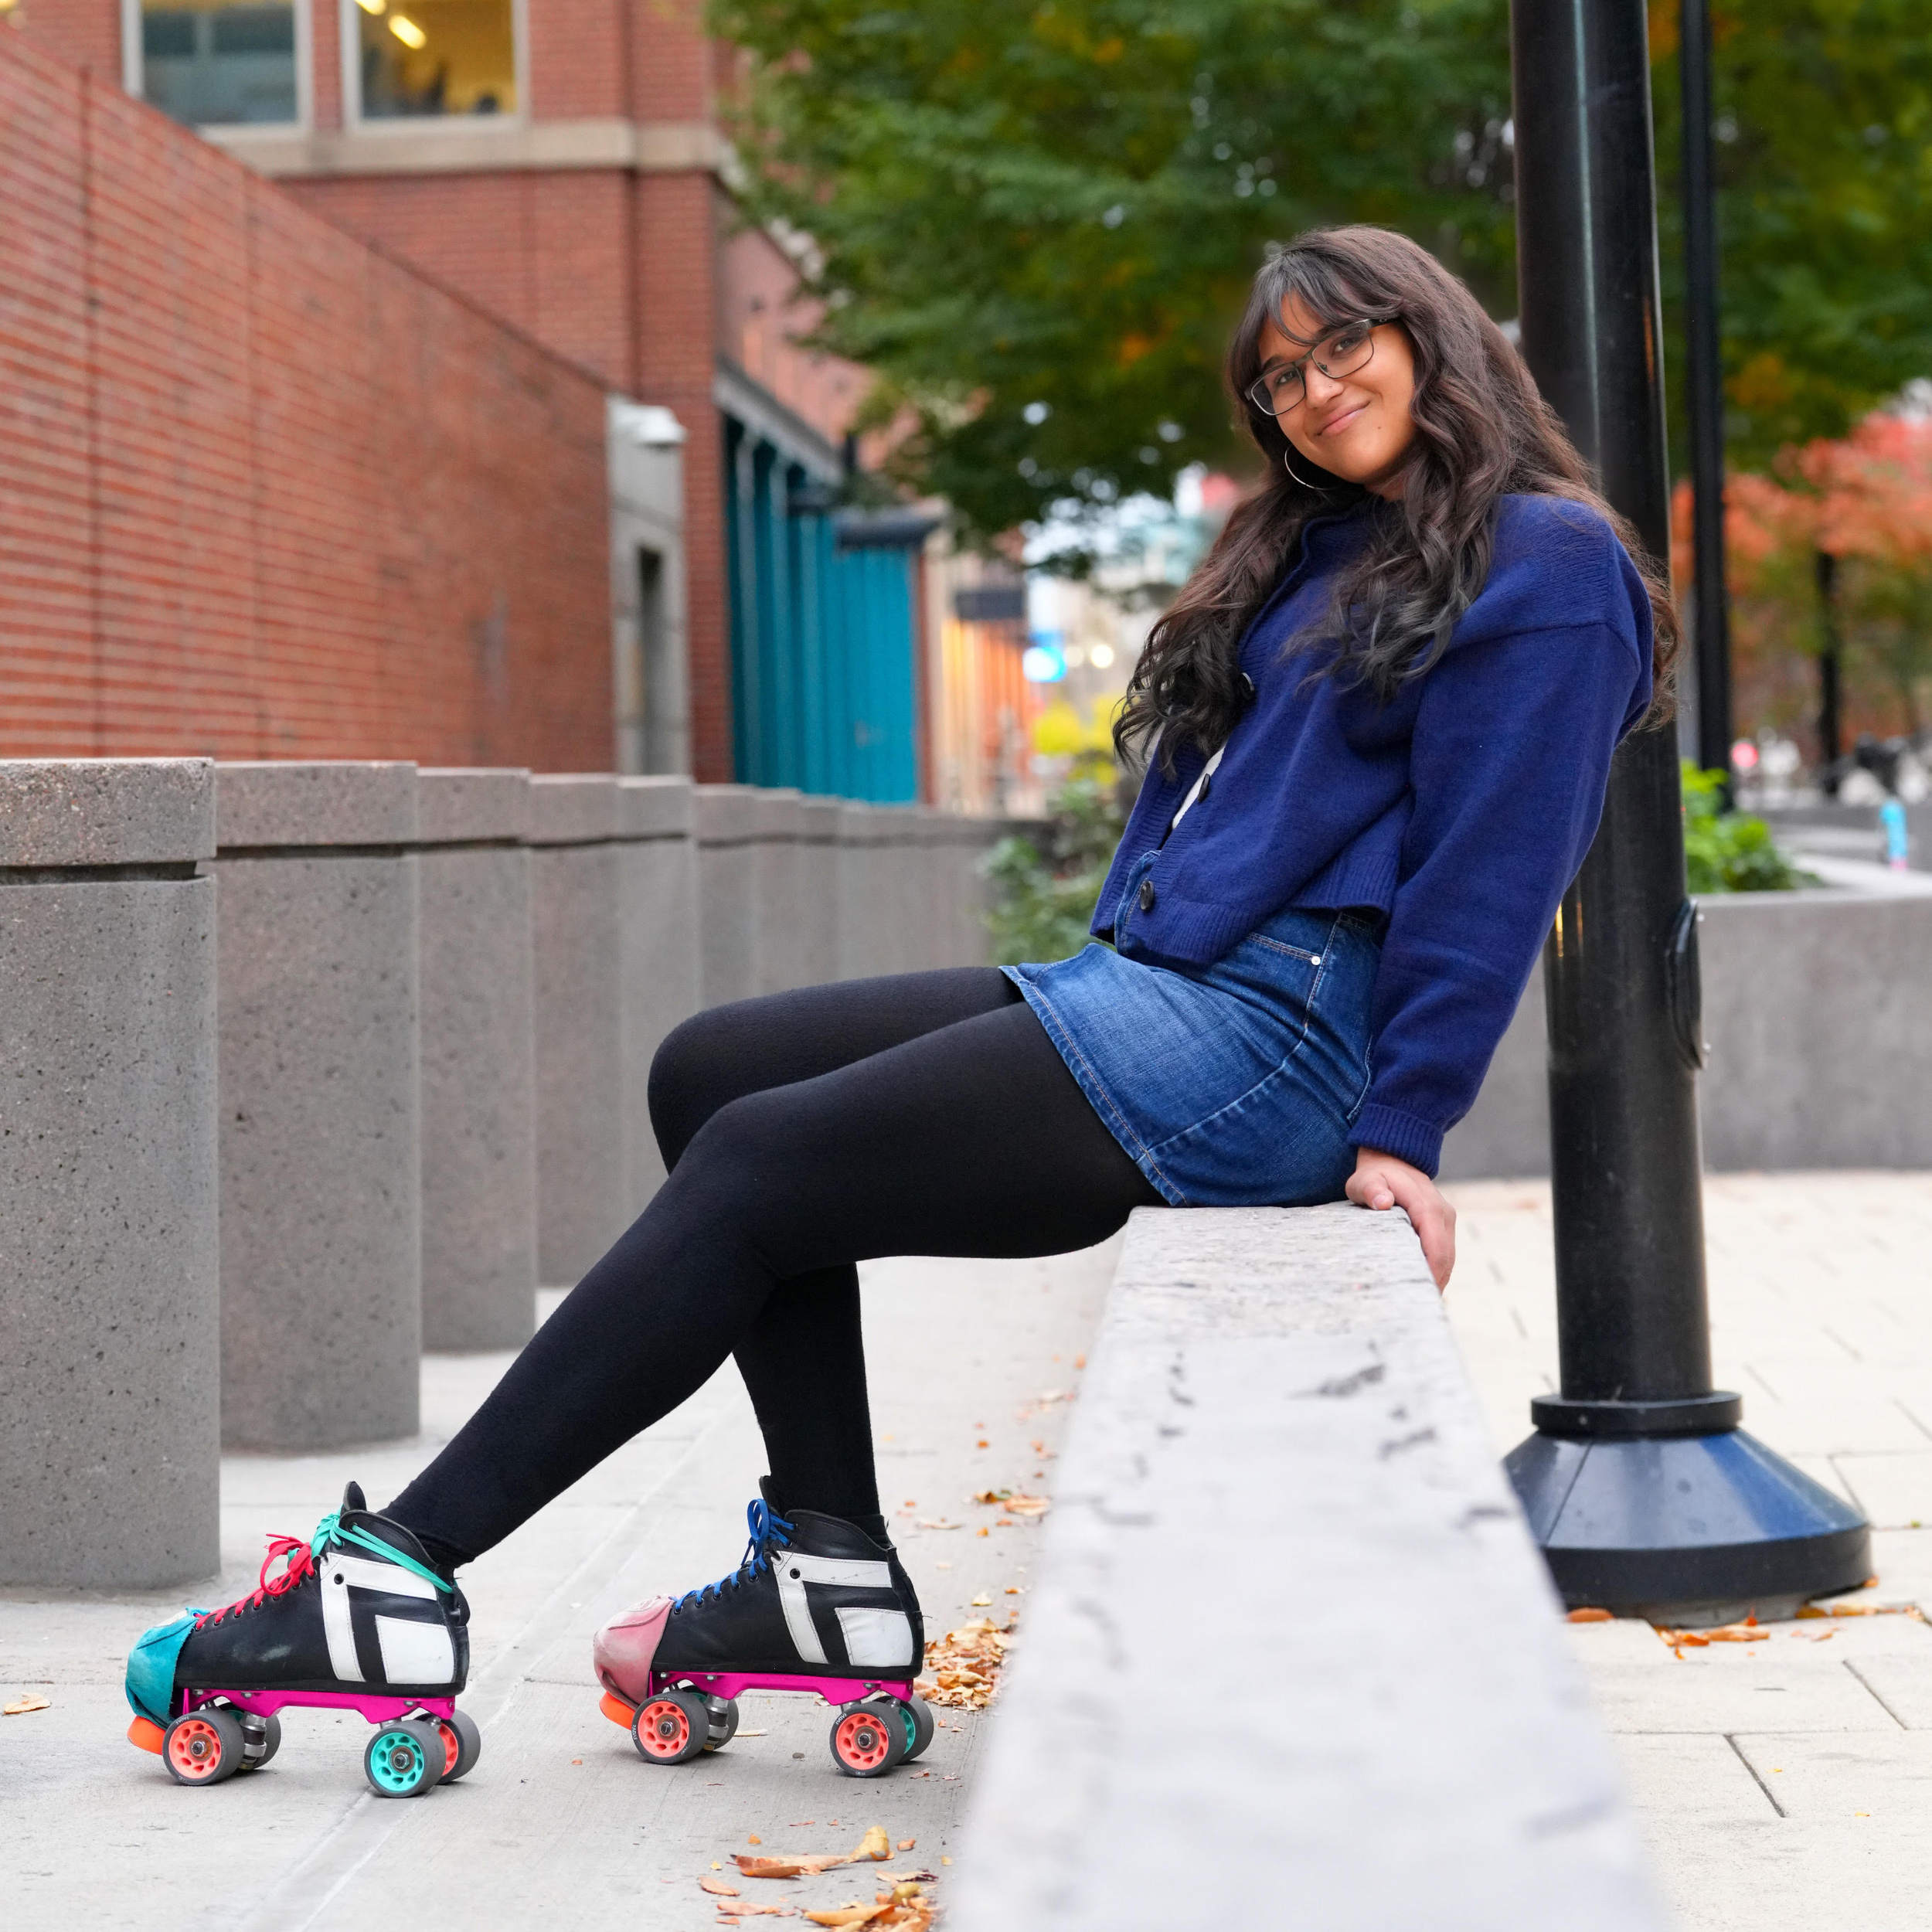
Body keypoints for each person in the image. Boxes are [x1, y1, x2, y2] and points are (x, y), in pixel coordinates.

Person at [124, 225, 1674, 1765]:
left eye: (1346, 345)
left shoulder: (1547, 564)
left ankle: (396, 1569)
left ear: (1432, 336)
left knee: (757, 1170)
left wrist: (1404, 1125)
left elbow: (1493, 869)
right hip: (1167, 988)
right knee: (711, 1071)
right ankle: (824, 1564)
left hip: (1279, 1038)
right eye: (1278, 373)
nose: (1314, 390)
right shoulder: (1321, 545)